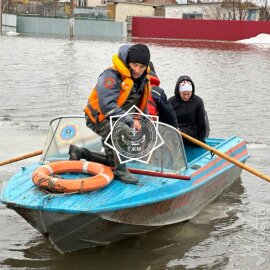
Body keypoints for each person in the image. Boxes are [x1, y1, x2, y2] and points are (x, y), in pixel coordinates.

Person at [69, 43, 151, 184]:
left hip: (117, 119)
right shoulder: (111, 75)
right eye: (135, 65)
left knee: (112, 160)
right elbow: (107, 106)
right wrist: (131, 122)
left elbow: (141, 106)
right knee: (124, 132)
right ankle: (120, 172)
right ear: (128, 62)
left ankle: (80, 152)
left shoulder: (142, 80)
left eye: (142, 67)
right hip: (99, 118)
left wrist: (146, 122)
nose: (138, 70)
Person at [168, 75, 208, 145]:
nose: (186, 97)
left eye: (188, 94)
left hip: (191, 130)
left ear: (192, 92)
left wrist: (201, 140)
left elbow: (201, 122)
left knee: (178, 135)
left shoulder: (198, 101)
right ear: (178, 92)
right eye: (183, 94)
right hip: (176, 130)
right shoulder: (171, 102)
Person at [147, 62, 178, 128]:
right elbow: (169, 114)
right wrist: (176, 128)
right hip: (151, 126)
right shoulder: (158, 91)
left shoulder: (131, 88)